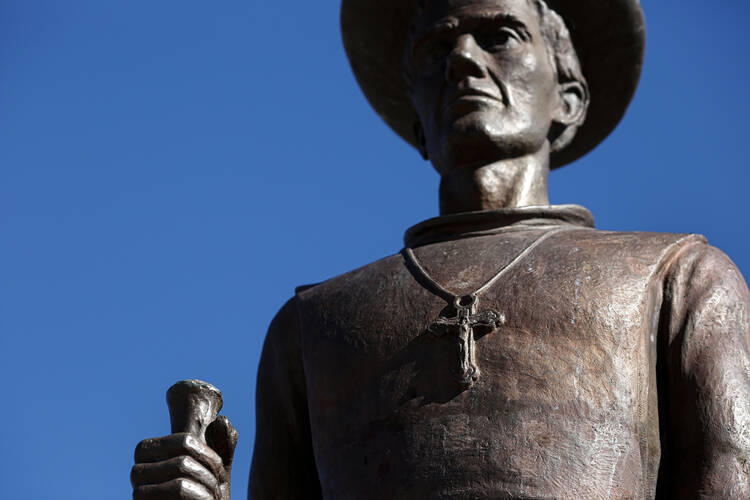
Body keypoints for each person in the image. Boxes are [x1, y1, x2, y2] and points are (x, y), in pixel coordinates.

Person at [133, 0, 750, 498]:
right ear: (415, 122)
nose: (462, 60)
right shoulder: (311, 327)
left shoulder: (678, 278)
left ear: (568, 96)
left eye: (500, 35)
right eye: (436, 47)